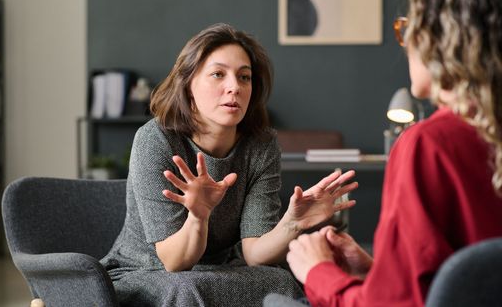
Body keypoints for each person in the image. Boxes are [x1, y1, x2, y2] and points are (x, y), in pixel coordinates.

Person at [279, 0, 502, 307]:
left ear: (434, 40)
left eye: (406, 28)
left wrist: (317, 271)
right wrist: (378, 270)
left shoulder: (428, 145)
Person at [100, 23, 358, 306]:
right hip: (148, 269)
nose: (234, 87)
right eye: (218, 74)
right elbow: (175, 262)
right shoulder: (156, 140)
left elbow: (254, 252)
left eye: (244, 77)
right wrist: (199, 216)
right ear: (188, 86)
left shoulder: (261, 145)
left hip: (223, 267)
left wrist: (292, 224)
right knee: (189, 288)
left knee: (281, 281)